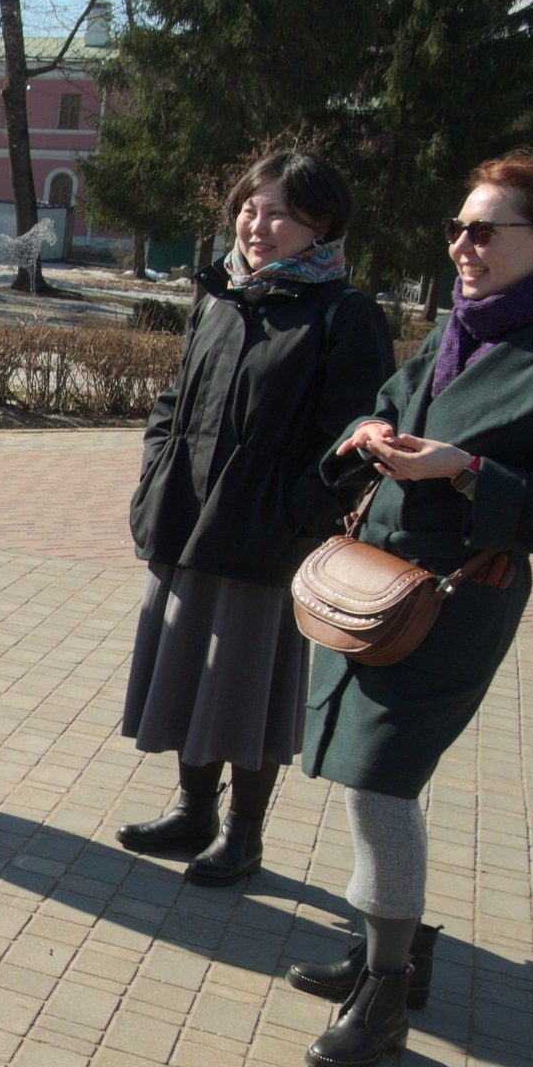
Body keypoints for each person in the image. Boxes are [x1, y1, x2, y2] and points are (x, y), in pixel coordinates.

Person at [286, 153, 533, 1067]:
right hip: (380, 584)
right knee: (362, 775)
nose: (462, 246)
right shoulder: (462, 329)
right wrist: (366, 437)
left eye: (485, 230)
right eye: (458, 227)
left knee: (380, 784)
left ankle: (386, 996)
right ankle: (387, 952)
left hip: (455, 602)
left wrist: (469, 472)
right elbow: (391, 410)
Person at [119, 152, 393, 884]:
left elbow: (357, 441)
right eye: (249, 207)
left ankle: (244, 836)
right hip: (187, 520)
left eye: (278, 213)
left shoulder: (344, 313)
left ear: (321, 226)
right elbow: (173, 402)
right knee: (187, 672)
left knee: (244, 689)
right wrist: (156, 476)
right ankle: (193, 811)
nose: (256, 223)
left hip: (267, 540)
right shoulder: (221, 297)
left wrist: (295, 515)